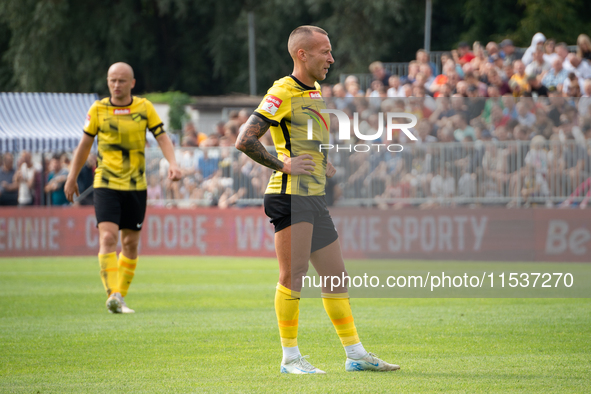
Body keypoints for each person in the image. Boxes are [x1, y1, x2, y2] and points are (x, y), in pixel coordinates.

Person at [235, 26, 399, 374]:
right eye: (324, 51)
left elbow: (302, 139)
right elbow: (245, 139)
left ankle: (355, 354)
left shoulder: (315, 91)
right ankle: (290, 359)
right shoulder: (282, 90)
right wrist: (283, 164)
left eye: (330, 50)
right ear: (302, 54)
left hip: (312, 196)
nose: (331, 58)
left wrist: (322, 161)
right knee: (293, 275)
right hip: (288, 195)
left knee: (336, 277)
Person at [64, 62, 182, 314]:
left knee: (129, 243)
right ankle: (112, 294)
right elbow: (84, 145)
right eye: (112, 80)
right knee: (107, 237)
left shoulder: (144, 107)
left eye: (121, 81)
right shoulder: (97, 109)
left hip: (136, 185)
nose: (116, 85)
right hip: (106, 182)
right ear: (107, 82)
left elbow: (162, 137)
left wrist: (172, 163)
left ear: (132, 83)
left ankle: (119, 298)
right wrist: (71, 176)